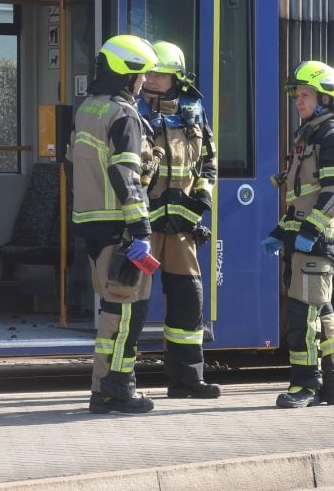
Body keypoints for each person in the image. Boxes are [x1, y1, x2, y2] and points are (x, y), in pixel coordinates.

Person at [68, 34, 159, 414]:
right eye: (142, 77)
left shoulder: (88, 107)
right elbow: (125, 173)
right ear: (128, 75)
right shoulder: (123, 115)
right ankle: (117, 388)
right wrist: (140, 227)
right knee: (126, 309)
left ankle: (103, 390)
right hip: (119, 225)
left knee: (111, 306)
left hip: (91, 223)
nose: (144, 84)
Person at [262, 60, 334, 408]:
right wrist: (280, 232)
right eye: (297, 95)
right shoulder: (307, 135)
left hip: (318, 241)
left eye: (305, 95)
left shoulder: (333, 136)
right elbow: (300, 198)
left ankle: (306, 386)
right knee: (321, 312)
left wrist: (311, 230)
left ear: (325, 99)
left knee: (305, 316)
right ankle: (332, 385)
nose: (298, 102)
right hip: (303, 241)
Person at [137, 41, 221, 399]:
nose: (151, 78)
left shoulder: (194, 110)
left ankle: (188, 380)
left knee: (188, 300)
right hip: (142, 226)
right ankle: (121, 384)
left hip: (182, 227)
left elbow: (209, 164)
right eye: (149, 72)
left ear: (176, 76)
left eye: (159, 73)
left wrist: (200, 199)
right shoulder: (134, 109)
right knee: (132, 300)